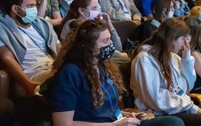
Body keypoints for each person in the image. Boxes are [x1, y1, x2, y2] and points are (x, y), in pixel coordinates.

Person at [50, 19, 184, 126]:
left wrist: (128, 115)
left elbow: (109, 109)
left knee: (172, 122)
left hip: (117, 122)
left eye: (110, 39)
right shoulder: (70, 73)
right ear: (88, 45)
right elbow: (63, 123)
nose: (110, 45)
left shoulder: (102, 65)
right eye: (105, 41)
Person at [130, 18, 201, 126]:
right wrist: (190, 107)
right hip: (157, 113)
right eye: (183, 39)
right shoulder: (144, 59)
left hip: (178, 107)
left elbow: (186, 87)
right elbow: (157, 100)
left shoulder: (172, 56)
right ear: (171, 39)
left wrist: (187, 59)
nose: (186, 43)